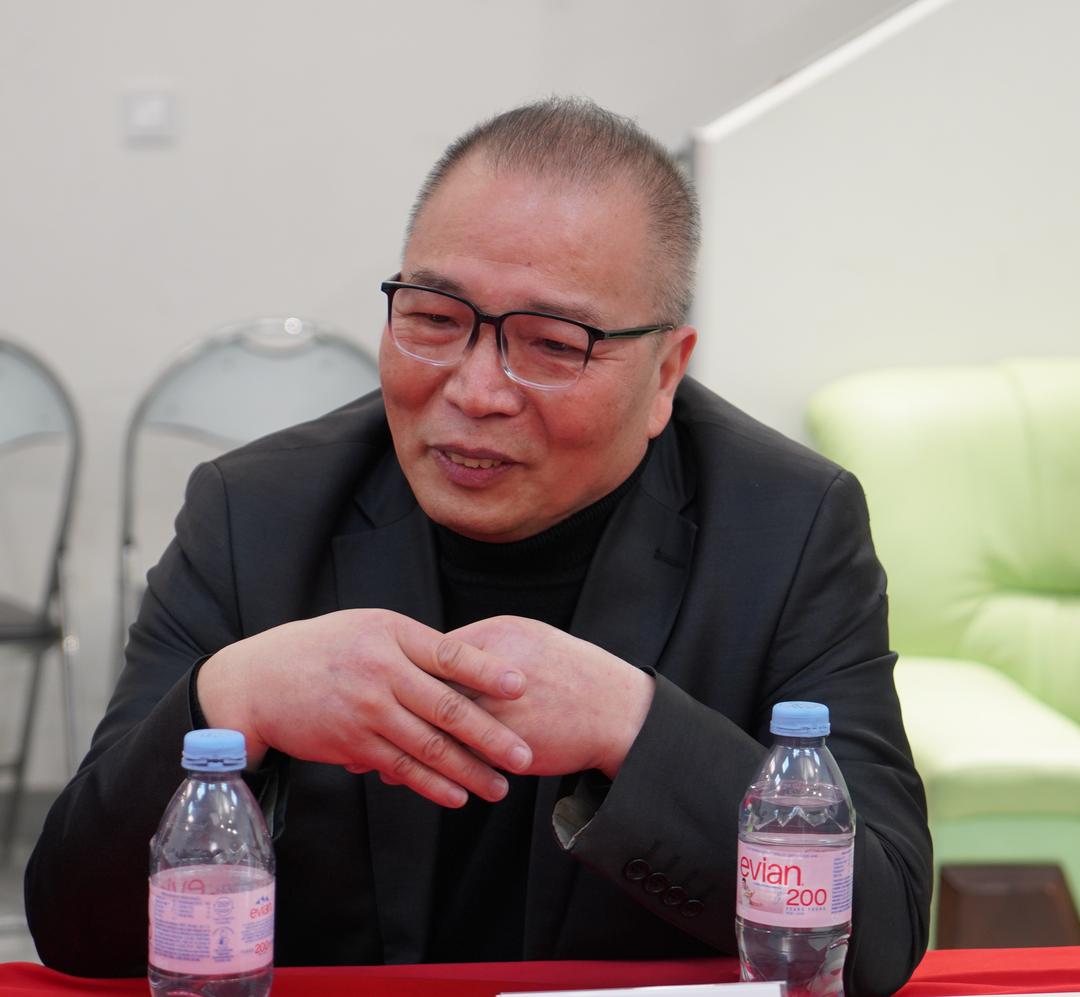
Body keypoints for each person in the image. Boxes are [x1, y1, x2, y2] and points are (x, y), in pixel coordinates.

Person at [26, 97, 932, 994]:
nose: (474, 390)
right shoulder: (256, 514)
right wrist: (232, 697)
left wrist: (632, 725)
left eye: (552, 343)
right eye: (433, 318)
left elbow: (879, 934)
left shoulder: (786, 526)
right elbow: (75, 926)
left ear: (665, 373)